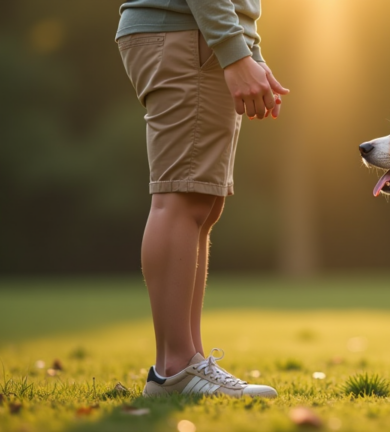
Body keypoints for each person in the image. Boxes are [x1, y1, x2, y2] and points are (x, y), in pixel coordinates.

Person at [115, 0, 288, 398]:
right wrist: (234, 50)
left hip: (197, 34)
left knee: (203, 205)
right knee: (181, 197)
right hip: (187, 33)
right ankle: (175, 367)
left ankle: (185, 364)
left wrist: (250, 53)